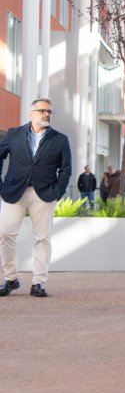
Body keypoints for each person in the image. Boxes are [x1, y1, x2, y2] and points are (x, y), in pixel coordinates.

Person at [0, 98, 72, 298]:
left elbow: (66, 169)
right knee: (5, 234)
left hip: (44, 194)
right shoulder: (14, 134)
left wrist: (57, 190)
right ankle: (10, 278)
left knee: (42, 238)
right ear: (31, 113)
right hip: (14, 191)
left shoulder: (60, 139)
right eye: (42, 111)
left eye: (49, 111)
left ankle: (38, 282)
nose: (46, 114)